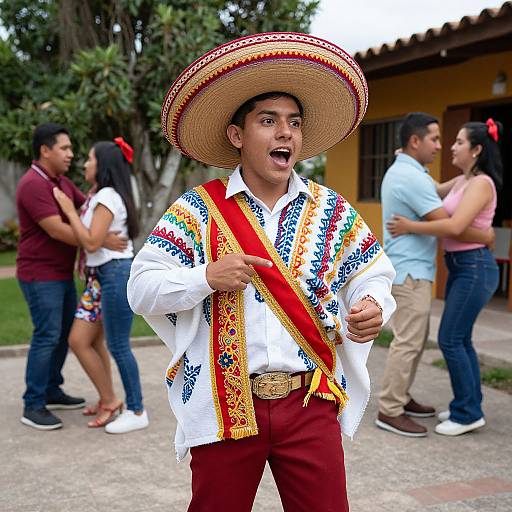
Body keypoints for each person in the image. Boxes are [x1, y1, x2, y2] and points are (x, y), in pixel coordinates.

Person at [127, 33, 396, 511]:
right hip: (224, 405)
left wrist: (373, 303)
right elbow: (141, 288)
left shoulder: (330, 209)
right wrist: (204, 277)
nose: (285, 133)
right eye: (268, 121)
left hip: (309, 402)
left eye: (293, 122)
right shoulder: (197, 211)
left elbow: (373, 272)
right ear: (237, 135)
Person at [376, 113, 494, 437]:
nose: (441, 147)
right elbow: (450, 223)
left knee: (415, 340)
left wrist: (467, 176)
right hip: (411, 272)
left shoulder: (413, 172)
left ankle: (400, 397)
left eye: (451, 141)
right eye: (435, 139)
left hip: (414, 270)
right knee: (409, 342)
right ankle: (390, 408)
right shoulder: (411, 177)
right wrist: (485, 236)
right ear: (415, 141)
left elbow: (440, 190)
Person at [17, 123, 127, 431]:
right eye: (64, 148)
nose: (71, 154)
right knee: (47, 335)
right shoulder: (32, 184)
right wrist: (100, 240)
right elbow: (56, 228)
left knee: (63, 332)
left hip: (60, 273)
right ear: (45, 150)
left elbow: (88, 208)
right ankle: (33, 403)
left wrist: (98, 230)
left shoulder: (61, 182)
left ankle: (52, 388)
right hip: (40, 274)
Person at [53, 138, 149, 434]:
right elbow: (97, 239)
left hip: (114, 274)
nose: (84, 163)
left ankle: (136, 409)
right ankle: (110, 399)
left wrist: (69, 210)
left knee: (118, 345)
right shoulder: (99, 194)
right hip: (99, 276)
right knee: (80, 340)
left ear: (103, 165)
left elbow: (91, 241)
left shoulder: (107, 195)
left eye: (90, 159)